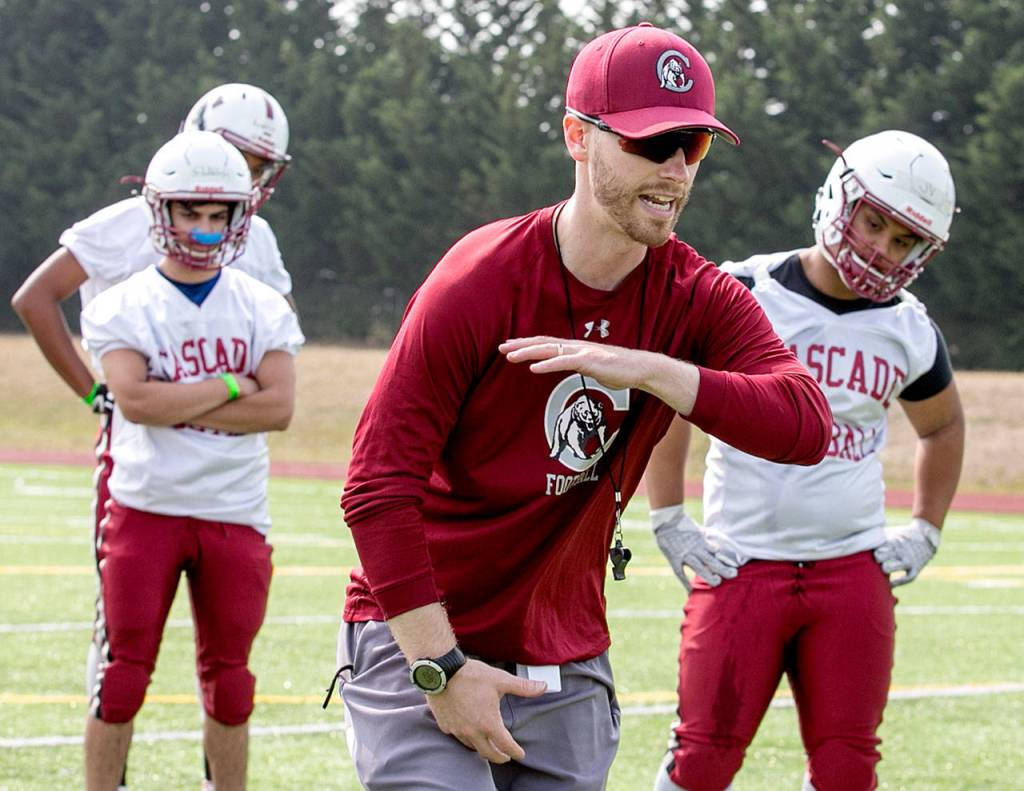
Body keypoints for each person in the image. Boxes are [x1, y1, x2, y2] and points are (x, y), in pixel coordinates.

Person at [334, 23, 832, 790]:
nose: (672, 169)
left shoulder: (695, 295)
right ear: (577, 136)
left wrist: (655, 370)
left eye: (691, 146)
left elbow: (805, 424)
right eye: (649, 142)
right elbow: (376, 488)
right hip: (421, 639)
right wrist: (441, 669)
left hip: (564, 653)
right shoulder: (479, 279)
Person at [647, 130, 965, 791]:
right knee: (702, 759)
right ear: (838, 199)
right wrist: (670, 515)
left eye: (903, 240)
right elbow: (671, 398)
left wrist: (926, 525)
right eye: (873, 221)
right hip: (741, 560)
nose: (881, 247)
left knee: (848, 767)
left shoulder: (908, 327)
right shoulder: (743, 290)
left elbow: (943, 425)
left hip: (850, 569)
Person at [10, 82, 294, 791]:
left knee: (228, 675)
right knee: (121, 661)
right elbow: (39, 301)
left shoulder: (254, 245)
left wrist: (185, 400)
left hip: (228, 491)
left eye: (254, 166)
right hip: (142, 475)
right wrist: (95, 392)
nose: (234, 180)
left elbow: (278, 392)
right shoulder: (130, 231)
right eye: (232, 154)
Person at [78, 130, 304, 791]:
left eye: (216, 215)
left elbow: (281, 408)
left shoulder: (262, 304)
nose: (203, 229)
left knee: (231, 683)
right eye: (189, 213)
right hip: (146, 507)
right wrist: (235, 385)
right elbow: (136, 402)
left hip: (233, 512)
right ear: (161, 211)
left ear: (238, 217)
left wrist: (177, 399)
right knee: (121, 677)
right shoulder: (123, 303)